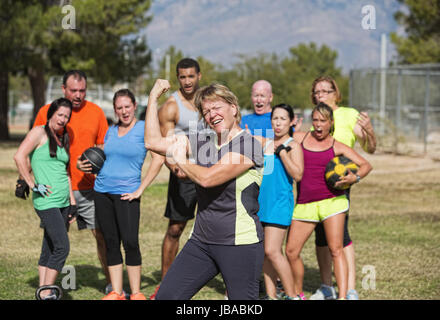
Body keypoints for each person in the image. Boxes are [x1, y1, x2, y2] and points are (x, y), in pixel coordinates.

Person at [144, 79, 265, 300]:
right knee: (167, 297)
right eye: (206, 111)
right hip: (201, 241)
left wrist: (181, 159)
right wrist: (153, 98)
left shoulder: (248, 145)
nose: (211, 114)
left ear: (233, 108)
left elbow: (208, 179)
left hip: (240, 243)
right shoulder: (202, 142)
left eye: (217, 107)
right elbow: (152, 142)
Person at [78, 89, 163, 300]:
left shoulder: (144, 129)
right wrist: (83, 164)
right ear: (115, 110)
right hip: (102, 192)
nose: (124, 111)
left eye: (127, 106)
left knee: (131, 242)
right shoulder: (110, 131)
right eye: (119, 108)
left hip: (127, 195)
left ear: (135, 106)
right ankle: (117, 292)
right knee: (110, 242)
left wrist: (140, 189)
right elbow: (98, 156)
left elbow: (159, 160)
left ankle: (136, 293)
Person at [32, 70, 111, 291]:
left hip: (88, 189)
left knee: (101, 235)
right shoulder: (48, 112)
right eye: (73, 90)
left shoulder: (96, 112)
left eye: (82, 90)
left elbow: (103, 145)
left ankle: (111, 284)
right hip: (56, 190)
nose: (78, 95)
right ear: (63, 89)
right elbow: (33, 147)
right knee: (53, 240)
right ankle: (46, 288)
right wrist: (25, 180)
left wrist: (93, 159)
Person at [285, 102, 372, 300]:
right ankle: (297, 294)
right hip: (305, 204)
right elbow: (276, 139)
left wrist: (355, 178)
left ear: (331, 122)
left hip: (333, 203)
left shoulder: (337, 145)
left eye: (323, 121)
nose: (318, 125)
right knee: (291, 251)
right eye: (315, 120)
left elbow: (366, 165)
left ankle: (341, 297)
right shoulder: (300, 138)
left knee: (336, 249)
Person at [309, 76, 377, 300]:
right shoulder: (316, 118)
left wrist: (369, 130)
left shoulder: (348, 114)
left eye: (326, 91)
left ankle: (349, 289)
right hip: (316, 183)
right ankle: (327, 286)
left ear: (335, 93)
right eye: (317, 92)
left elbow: (370, 148)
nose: (322, 95)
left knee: (341, 235)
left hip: (340, 183)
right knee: (320, 235)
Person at [150, 58, 204, 299]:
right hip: (183, 175)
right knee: (175, 228)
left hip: (210, 172)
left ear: (199, 76)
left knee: (220, 227)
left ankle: (231, 283)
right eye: (182, 77)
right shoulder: (171, 106)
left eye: (191, 76)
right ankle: (166, 284)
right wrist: (175, 167)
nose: (187, 81)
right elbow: (163, 144)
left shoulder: (209, 101)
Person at [14, 98, 75, 300]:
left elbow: (65, 172)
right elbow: (19, 156)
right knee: (62, 247)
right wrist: (31, 184)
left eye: (67, 116)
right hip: (46, 201)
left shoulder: (62, 137)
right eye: (60, 115)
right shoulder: (39, 132)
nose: (63, 119)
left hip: (64, 202)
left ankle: (43, 291)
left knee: (49, 247)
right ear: (52, 114)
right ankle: (48, 291)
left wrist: (73, 203)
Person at [254, 103, 304, 300]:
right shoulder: (265, 142)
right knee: (266, 253)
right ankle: (271, 295)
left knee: (272, 251)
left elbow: (298, 174)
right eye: (275, 118)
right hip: (262, 204)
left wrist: (282, 152)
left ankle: (292, 295)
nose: (278, 123)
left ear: (291, 121)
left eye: (283, 119)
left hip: (280, 204)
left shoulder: (293, 145)